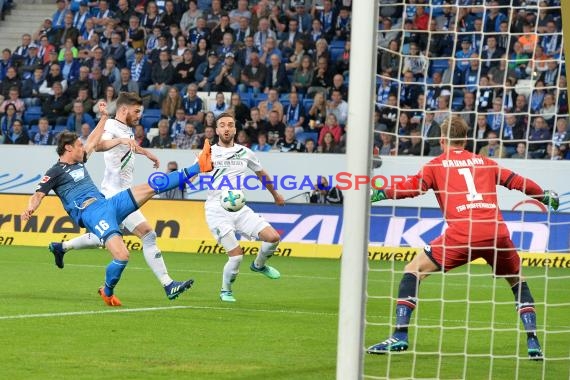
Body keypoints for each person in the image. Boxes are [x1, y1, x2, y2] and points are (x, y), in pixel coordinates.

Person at [366, 116, 559, 359]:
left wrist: (379, 193)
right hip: (496, 233)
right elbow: (518, 182)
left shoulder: (436, 164)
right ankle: (533, 343)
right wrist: (543, 196)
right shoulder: (485, 162)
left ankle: (400, 335)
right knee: (517, 281)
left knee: (413, 270)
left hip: (463, 233)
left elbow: (412, 188)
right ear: (466, 140)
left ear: (442, 139)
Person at [23, 96, 213, 307]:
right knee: (123, 255)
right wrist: (30, 208)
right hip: (92, 213)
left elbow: (94, 141)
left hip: (107, 203)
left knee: (152, 186)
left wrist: (103, 117)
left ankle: (198, 167)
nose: (83, 147)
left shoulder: (80, 159)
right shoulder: (55, 172)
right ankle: (108, 290)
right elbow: (38, 193)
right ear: (68, 148)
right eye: (78, 145)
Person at [205, 112, 285, 302]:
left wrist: (275, 194)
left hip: (240, 208)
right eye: (222, 125)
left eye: (230, 125)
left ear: (235, 129)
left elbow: (261, 174)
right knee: (236, 256)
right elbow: (189, 174)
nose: (226, 128)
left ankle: (259, 265)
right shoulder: (208, 152)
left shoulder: (245, 152)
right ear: (216, 130)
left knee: (273, 238)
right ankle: (226, 290)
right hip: (217, 210)